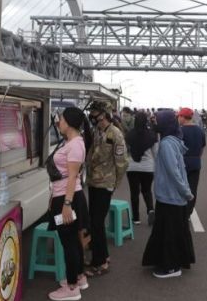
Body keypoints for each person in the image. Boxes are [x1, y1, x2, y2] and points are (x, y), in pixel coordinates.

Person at [142, 110, 195, 278]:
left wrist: (186, 192)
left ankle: (171, 267)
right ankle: (171, 263)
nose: (154, 123)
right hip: (172, 197)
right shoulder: (172, 141)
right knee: (170, 232)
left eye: (157, 120)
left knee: (169, 234)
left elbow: (174, 172)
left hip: (171, 197)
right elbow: (179, 170)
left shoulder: (166, 144)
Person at [47, 107, 92, 300]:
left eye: (62, 120)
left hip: (67, 198)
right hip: (66, 197)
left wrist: (66, 204)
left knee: (69, 243)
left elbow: (73, 176)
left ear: (69, 123)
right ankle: (79, 278)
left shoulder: (75, 145)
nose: (59, 122)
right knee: (73, 240)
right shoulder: (71, 142)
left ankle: (72, 288)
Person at [85, 101, 128, 277]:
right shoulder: (97, 131)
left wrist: (114, 184)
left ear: (103, 114)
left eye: (94, 112)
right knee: (94, 222)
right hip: (94, 182)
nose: (92, 116)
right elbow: (92, 154)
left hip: (105, 184)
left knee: (96, 223)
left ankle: (100, 263)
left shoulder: (115, 134)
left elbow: (122, 162)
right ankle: (101, 256)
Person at [125, 111, 158, 225]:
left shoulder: (129, 134)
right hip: (148, 168)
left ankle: (136, 218)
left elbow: (126, 151)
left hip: (132, 167)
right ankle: (150, 210)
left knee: (134, 193)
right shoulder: (152, 135)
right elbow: (156, 153)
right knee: (147, 191)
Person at [178, 107, 207, 216]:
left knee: (181, 187)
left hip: (183, 162)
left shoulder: (180, 131)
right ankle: (189, 212)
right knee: (193, 188)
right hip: (196, 162)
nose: (178, 118)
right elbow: (202, 148)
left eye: (179, 116)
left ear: (183, 117)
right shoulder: (200, 130)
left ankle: (181, 211)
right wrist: (197, 157)